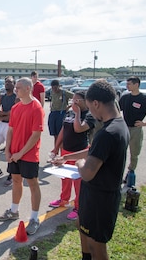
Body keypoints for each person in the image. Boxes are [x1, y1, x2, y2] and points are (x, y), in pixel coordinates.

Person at [52, 80, 129, 260]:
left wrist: (78, 162)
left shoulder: (107, 133)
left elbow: (86, 172)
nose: (91, 113)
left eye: (89, 107)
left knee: (97, 247)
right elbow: (94, 151)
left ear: (96, 103)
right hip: (95, 196)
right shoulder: (118, 125)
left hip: (100, 198)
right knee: (82, 227)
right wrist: (65, 157)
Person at [0, 77, 45, 236]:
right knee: (16, 180)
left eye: (18, 87)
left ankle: (34, 218)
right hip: (14, 153)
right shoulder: (16, 108)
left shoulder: (36, 108)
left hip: (28, 155)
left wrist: (20, 153)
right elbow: (10, 130)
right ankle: (14, 211)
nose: (15, 90)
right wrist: (8, 150)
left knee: (32, 184)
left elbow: (35, 135)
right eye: (15, 87)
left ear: (28, 89)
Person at [49, 91, 95, 220]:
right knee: (65, 178)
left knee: (78, 182)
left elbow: (78, 128)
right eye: (72, 100)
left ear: (84, 102)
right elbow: (64, 129)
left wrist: (78, 113)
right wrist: (56, 147)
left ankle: (78, 207)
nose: (73, 102)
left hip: (79, 153)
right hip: (66, 151)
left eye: (76, 100)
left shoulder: (89, 115)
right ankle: (64, 199)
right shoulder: (69, 112)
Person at [119, 76, 146, 182]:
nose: (127, 86)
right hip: (124, 129)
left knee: (134, 153)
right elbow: (116, 110)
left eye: (129, 84)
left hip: (136, 130)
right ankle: (118, 174)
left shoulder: (145, 99)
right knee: (120, 153)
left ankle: (130, 173)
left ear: (136, 85)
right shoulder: (125, 98)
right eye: (126, 84)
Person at [0, 76, 18, 186]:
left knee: (10, 151)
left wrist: (2, 116)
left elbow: (14, 113)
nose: (7, 84)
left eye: (10, 82)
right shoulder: (1, 97)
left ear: (14, 84)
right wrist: (5, 115)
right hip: (2, 125)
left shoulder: (16, 98)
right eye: (6, 82)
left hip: (12, 126)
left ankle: (11, 175)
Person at [48, 79, 73, 143]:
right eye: (52, 88)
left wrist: (69, 106)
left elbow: (76, 97)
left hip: (61, 113)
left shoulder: (64, 92)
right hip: (53, 113)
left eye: (55, 88)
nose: (54, 89)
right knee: (54, 134)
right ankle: (55, 151)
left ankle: (61, 151)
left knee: (61, 134)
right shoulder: (51, 92)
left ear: (59, 86)